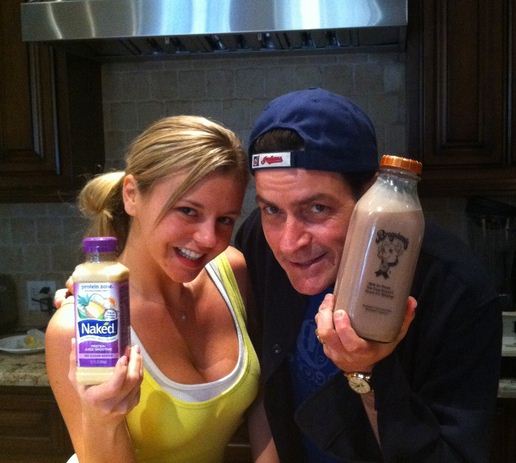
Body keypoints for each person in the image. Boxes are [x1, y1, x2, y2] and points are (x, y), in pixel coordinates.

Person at [234, 88, 502, 462]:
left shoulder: (455, 288)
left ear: (372, 194)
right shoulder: (257, 242)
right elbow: (268, 388)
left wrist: (367, 373)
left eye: (317, 208)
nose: (289, 243)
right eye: (271, 210)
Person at [46, 115, 279, 463]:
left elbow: (264, 398)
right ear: (131, 195)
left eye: (225, 220)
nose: (209, 239)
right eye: (188, 211)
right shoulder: (81, 328)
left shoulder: (232, 271)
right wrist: (101, 419)